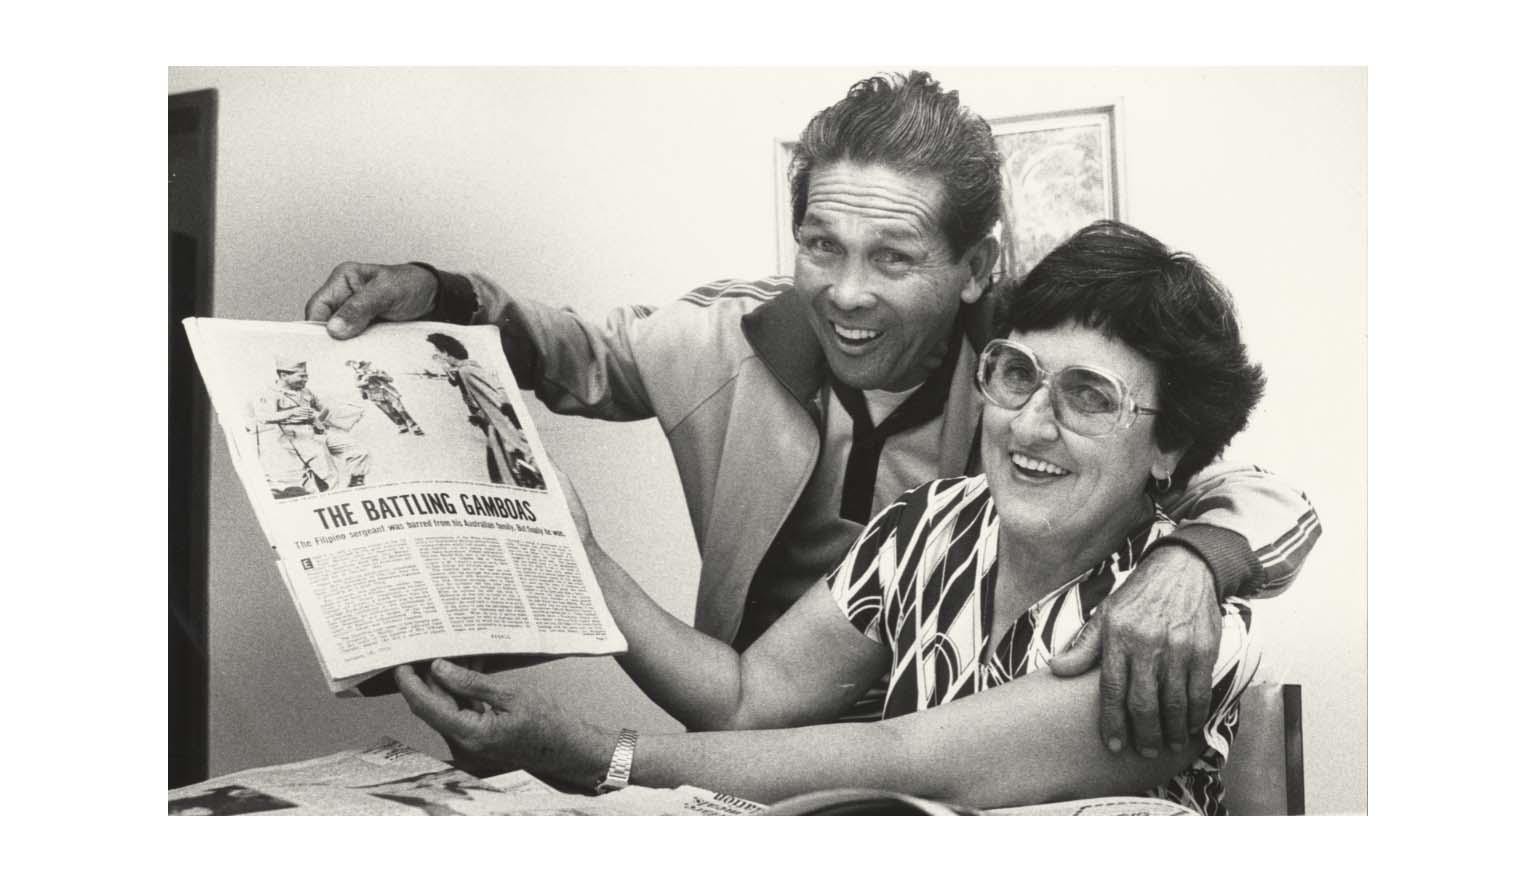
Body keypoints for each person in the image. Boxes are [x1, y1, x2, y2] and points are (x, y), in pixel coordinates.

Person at [308, 71, 1321, 755]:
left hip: (958, 755)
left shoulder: (1033, 377)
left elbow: (1244, 478)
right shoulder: (721, 342)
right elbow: (565, 350)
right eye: (821, 246)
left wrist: (1194, 561)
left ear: (976, 270)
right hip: (750, 738)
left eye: (892, 256)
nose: (843, 292)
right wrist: (438, 291)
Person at [399, 221, 1270, 814]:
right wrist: (582, 556)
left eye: (1089, 396)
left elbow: (898, 758)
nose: (1031, 424)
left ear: (1170, 445)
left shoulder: (1179, 631)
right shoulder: (932, 521)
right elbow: (747, 702)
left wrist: (590, 753)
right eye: (1015, 374)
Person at [426, 332, 546, 490]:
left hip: (496, 423)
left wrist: (511, 424)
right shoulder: (464, 369)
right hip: (488, 422)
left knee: (509, 462)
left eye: (436, 353)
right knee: (498, 465)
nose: (434, 357)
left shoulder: (467, 371)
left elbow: (493, 399)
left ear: (445, 352)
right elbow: (456, 382)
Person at [251, 357, 370, 496]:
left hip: (317, 431)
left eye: (306, 376)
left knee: (358, 451)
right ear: (284, 375)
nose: (305, 379)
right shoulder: (270, 393)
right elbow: (263, 417)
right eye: (301, 376)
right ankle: (331, 499)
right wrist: (290, 413)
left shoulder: (305, 391)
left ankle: (356, 484)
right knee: (328, 474)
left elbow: (322, 409)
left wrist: (335, 414)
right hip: (296, 437)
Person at [348, 359, 424, 435]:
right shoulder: (358, 376)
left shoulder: (378, 371)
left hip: (388, 392)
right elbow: (357, 385)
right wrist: (366, 379)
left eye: (366, 366)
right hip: (375, 395)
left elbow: (390, 379)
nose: (365, 368)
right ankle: (402, 425)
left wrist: (380, 375)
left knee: (400, 409)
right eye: (362, 368)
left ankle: (414, 427)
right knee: (390, 411)